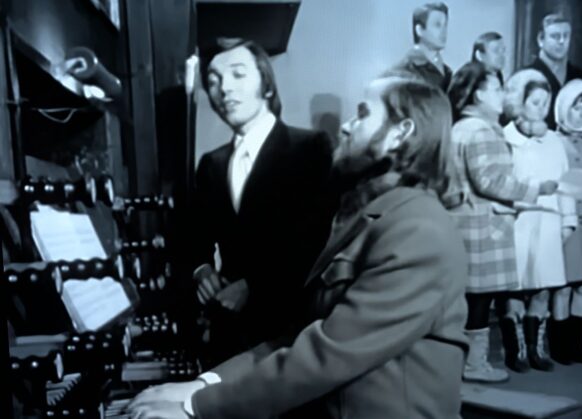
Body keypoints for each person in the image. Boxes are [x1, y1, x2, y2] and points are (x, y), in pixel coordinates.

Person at [129, 77, 469, 419]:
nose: (347, 126)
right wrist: (201, 385)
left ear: (400, 133)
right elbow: (298, 336)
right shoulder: (370, 217)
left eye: (363, 114)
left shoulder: (419, 231)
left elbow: (328, 354)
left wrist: (196, 407)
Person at [189, 37, 338, 365]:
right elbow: (193, 236)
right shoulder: (211, 164)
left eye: (238, 74)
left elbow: (316, 238)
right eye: (213, 81)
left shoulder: (311, 148)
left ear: (266, 85)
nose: (224, 88)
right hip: (228, 335)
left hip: (290, 334)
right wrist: (201, 270)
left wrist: (253, 286)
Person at [445, 61, 558, 383]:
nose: (504, 95)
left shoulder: (461, 128)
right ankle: (475, 364)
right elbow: (491, 181)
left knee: (471, 299)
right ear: (479, 94)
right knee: (479, 300)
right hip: (483, 228)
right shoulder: (479, 130)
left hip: (468, 224)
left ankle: (464, 362)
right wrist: (536, 189)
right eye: (498, 88)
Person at [500, 69, 576, 372]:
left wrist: (568, 221)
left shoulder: (554, 141)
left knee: (544, 286)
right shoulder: (505, 138)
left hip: (550, 221)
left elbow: (566, 183)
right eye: (535, 102)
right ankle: (516, 348)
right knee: (515, 288)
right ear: (520, 102)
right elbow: (501, 183)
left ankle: (536, 346)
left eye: (546, 103)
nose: (541, 109)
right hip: (517, 221)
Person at [550, 79, 582, 365]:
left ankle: (576, 344)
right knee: (564, 286)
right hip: (567, 222)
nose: (581, 115)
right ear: (564, 108)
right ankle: (559, 346)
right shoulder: (554, 141)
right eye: (576, 108)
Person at [526, 13, 582, 129]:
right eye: (555, 36)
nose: (562, 41)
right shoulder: (525, 77)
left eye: (566, 36)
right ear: (541, 39)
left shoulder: (580, 77)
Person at [391, 2, 452, 91]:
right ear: (419, 30)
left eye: (445, 25)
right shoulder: (402, 72)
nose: (444, 31)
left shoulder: (448, 73)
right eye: (437, 25)